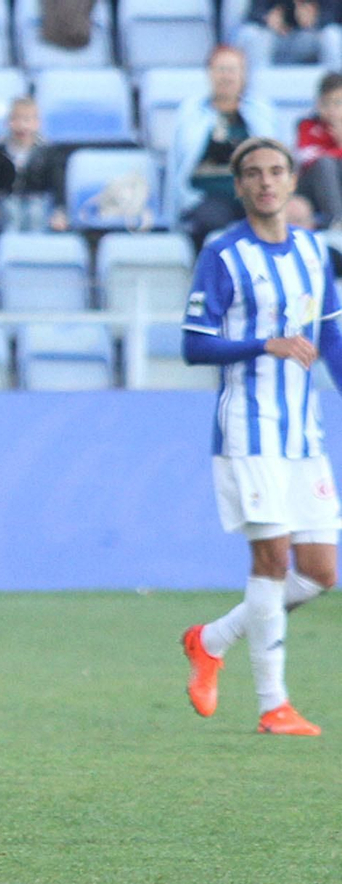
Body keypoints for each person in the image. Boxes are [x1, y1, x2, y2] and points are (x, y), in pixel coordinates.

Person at [180, 137, 342, 738]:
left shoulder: (314, 251)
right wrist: (263, 344)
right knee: (271, 559)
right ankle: (274, 705)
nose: (266, 182)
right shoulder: (223, 255)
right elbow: (194, 345)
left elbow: (330, 336)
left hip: (303, 435)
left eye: (276, 171)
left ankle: (211, 639)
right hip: (248, 430)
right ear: (240, 186)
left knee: (321, 573)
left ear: (293, 180)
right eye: (253, 174)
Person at [168, 46, 278, 250]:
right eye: (220, 69)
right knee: (212, 222)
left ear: (243, 75)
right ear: (209, 74)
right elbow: (178, 163)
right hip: (207, 196)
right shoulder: (191, 112)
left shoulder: (261, 111)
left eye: (232, 70)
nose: (226, 76)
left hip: (256, 194)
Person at [0, 97, 69, 233]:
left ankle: (35, 241)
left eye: (27, 120)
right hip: (8, 200)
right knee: (11, 211)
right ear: (7, 123)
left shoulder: (48, 153)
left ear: (37, 123)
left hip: (38, 200)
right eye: (15, 119)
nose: (21, 125)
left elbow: (58, 184)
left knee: (35, 211)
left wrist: (59, 212)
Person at [236, 0, 342, 70]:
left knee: (332, 35)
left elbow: (334, 14)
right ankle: (258, 90)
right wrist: (268, 19)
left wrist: (315, 20)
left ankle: (334, 88)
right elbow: (254, 12)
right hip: (274, 39)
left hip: (310, 39)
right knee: (252, 33)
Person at [296, 72, 342, 228]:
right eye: (326, 103)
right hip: (312, 186)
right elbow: (307, 157)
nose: (331, 110)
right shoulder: (307, 125)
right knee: (325, 164)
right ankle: (337, 221)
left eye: (338, 103)